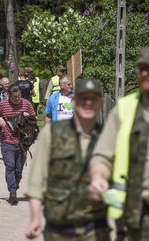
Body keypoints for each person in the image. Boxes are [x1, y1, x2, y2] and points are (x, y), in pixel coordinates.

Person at [25, 78, 109, 241]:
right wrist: (35, 217)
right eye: (83, 98)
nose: (88, 103)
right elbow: (36, 181)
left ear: (101, 102)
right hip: (59, 228)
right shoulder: (51, 134)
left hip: (96, 228)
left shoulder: (107, 137)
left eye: (94, 99)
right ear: (74, 101)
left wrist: (120, 228)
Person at [88, 48, 149, 240]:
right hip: (139, 214)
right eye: (143, 68)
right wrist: (98, 176)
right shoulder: (124, 108)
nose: (146, 73)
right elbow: (102, 155)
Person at [0, 84, 36, 205]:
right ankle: (12, 192)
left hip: (22, 142)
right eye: (14, 97)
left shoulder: (26, 104)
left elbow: (34, 118)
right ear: (9, 95)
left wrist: (29, 117)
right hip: (7, 141)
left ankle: (14, 186)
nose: (17, 99)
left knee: (18, 169)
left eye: (19, 96)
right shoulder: (3, 104)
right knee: (10, 166)